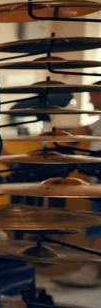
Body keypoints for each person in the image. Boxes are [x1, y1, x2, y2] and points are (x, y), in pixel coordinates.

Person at [54, 81, 101, 288]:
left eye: (92, 95)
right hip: (96, 177)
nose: (89, 99)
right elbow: (75, 134)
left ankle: (91, 270)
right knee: (95, 221)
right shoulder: (98, 121)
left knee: (97, 223)